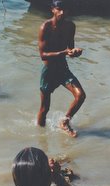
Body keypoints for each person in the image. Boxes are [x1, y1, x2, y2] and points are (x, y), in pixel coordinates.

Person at [37, 0, 86, 138]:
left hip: (63, 69)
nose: (63, 12)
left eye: (65, 9)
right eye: (59, 9)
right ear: (53, 9)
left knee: (80, 95)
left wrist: (75, 52)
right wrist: (63, 52)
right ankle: (41, 137)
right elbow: (43, 55)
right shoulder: (45, 27)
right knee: (44, 108)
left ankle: (64, 122)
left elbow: (69, 49)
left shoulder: (71, 26)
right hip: (49, 71)